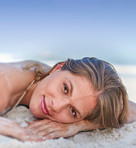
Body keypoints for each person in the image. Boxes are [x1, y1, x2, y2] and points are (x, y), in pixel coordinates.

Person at [0, 57, 136, 142]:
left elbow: (129, 110)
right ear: (57, 68)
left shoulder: (48, 77)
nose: (57, 106)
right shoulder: (6, 81)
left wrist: (80, 125)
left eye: (73, 111)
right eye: (65, 89)